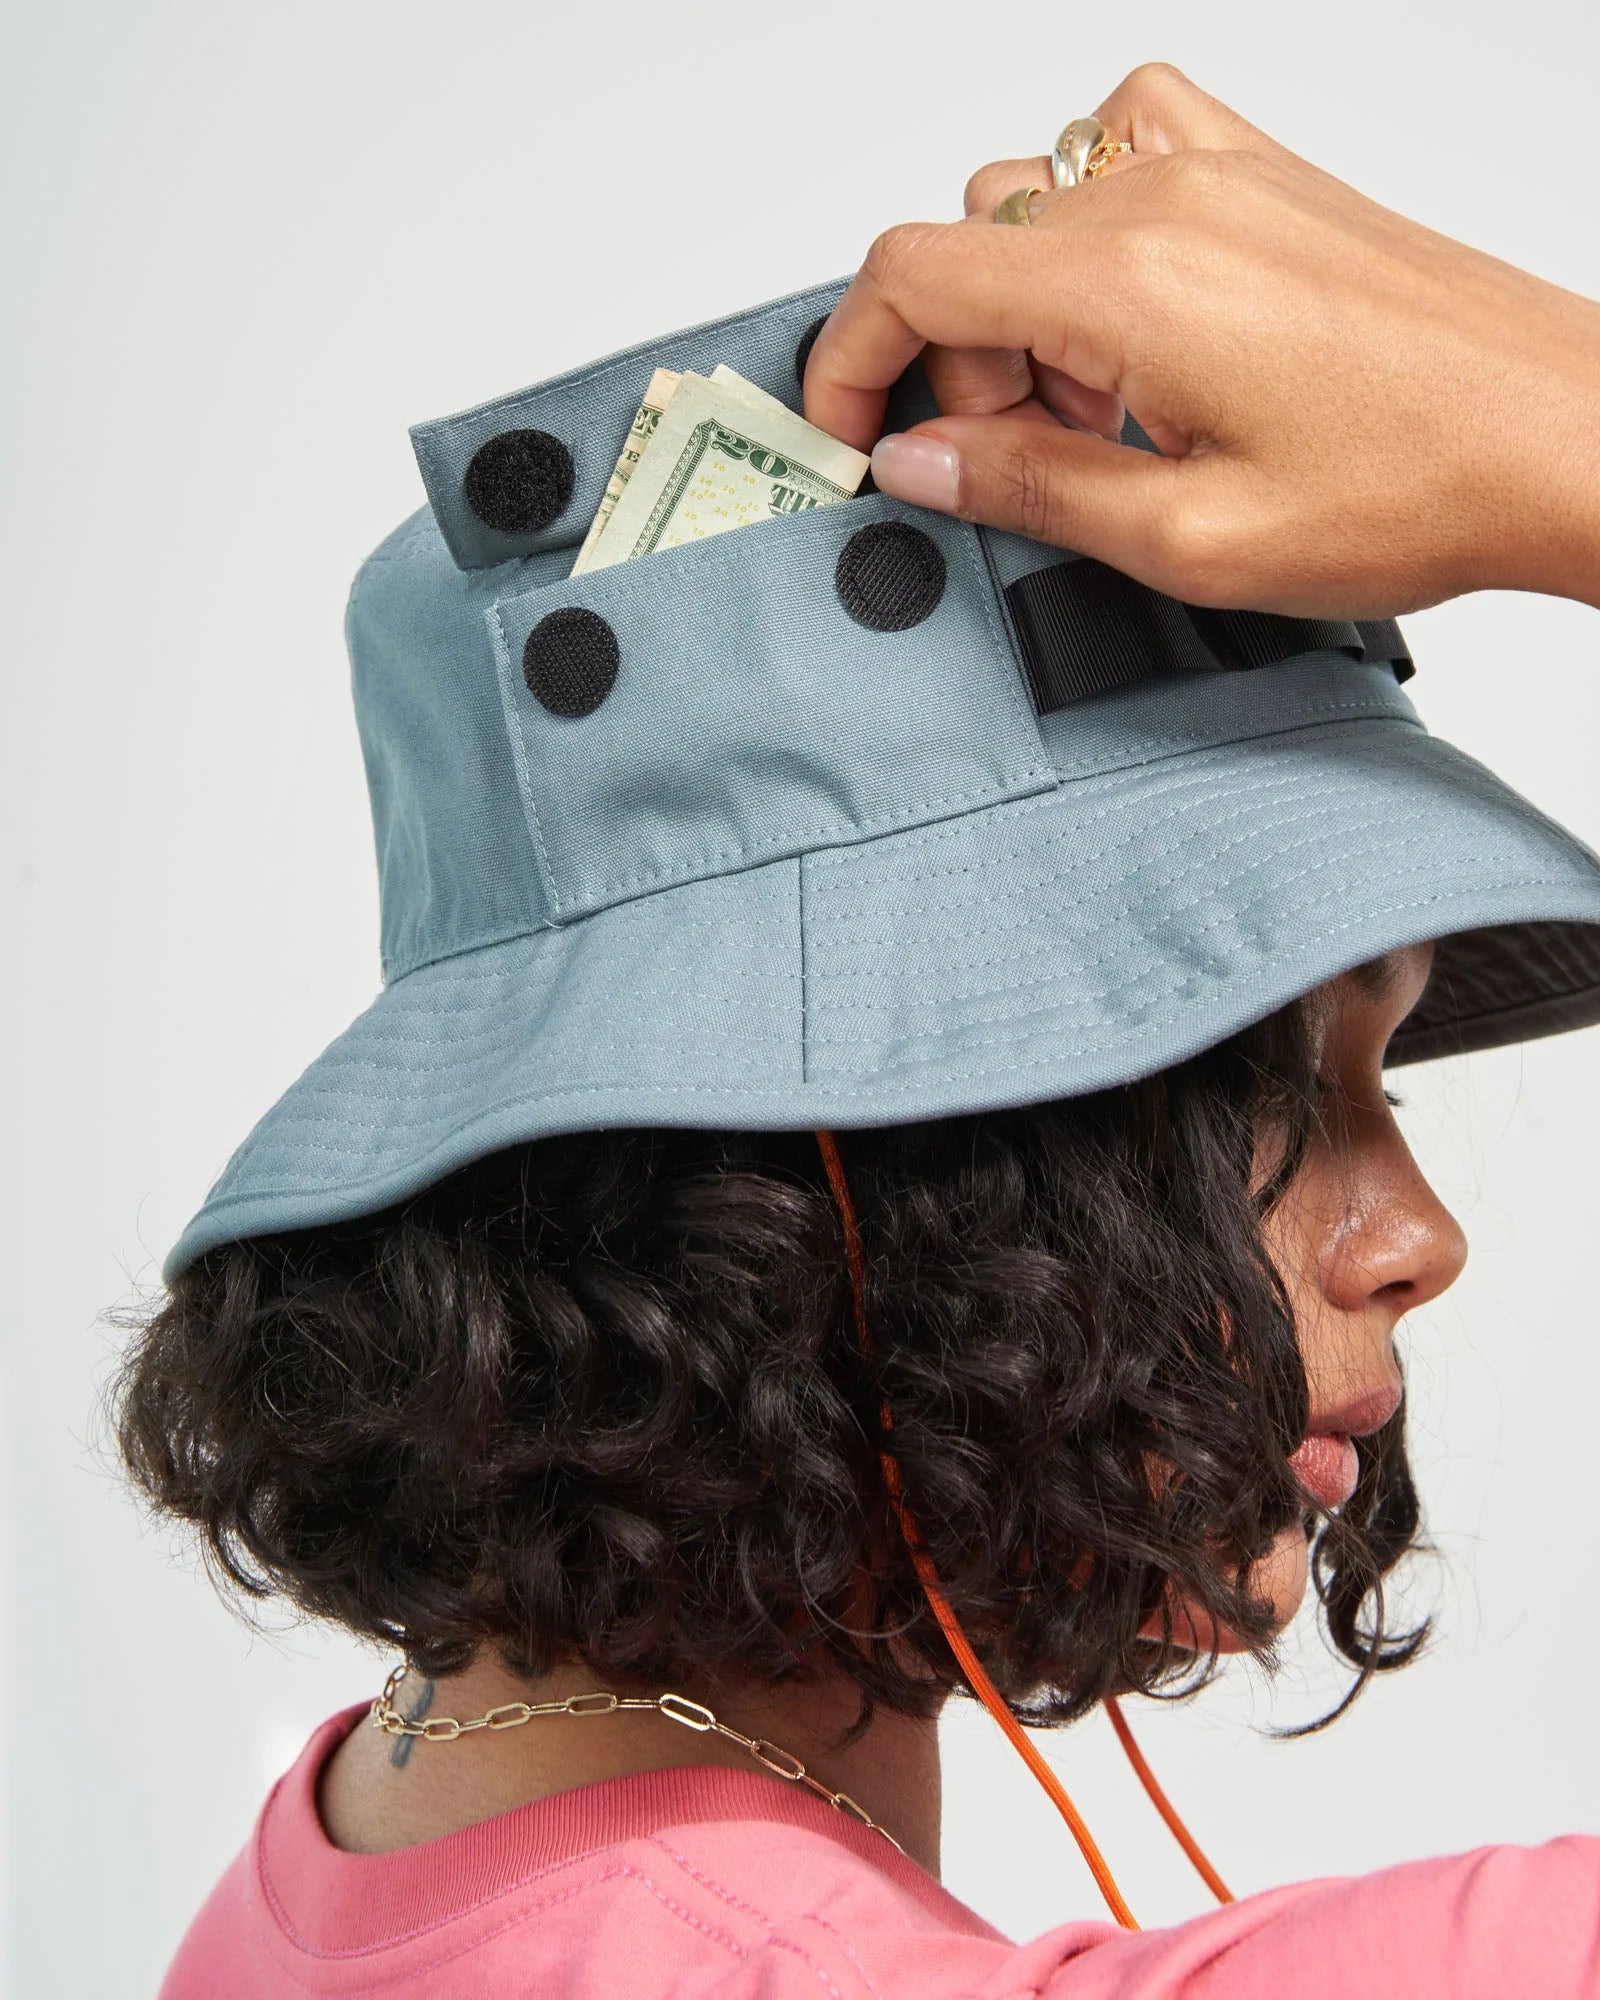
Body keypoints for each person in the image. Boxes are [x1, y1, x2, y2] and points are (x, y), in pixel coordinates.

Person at [112, 61, 1600, 2000]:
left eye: (1372, 1074)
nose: (1419, 1236)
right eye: (1264, 1084)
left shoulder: (345, 1866)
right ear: (807, 1184)